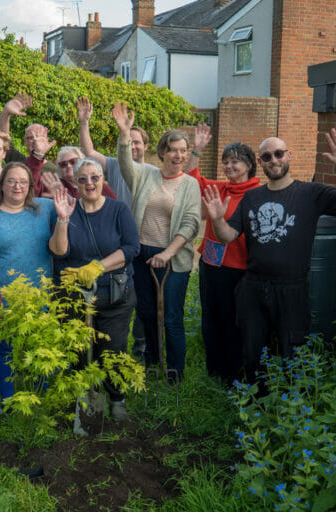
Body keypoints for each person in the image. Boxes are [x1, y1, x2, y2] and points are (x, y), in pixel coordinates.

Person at [202, 129, 336, 383]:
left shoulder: (310, 193)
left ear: (289, 155)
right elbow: (227, 236)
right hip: (254, 286)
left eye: (279, 154)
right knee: (252, 351)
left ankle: (292, 405)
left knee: (294, 351)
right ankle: (255, 402)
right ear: (260, 163)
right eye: (267, 157)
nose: (274, 160)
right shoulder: (251, 197)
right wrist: (216, 219)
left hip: (292, 289)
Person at [114, 102, 201, 380]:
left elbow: (190, 223)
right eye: (173, 149)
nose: (179, 155)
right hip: (142, 255)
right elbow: (125, 163)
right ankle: (153, 363)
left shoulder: (190, 184)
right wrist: (125, 134)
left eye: (183, 150)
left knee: (172, 317)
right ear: (162, 152)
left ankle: (175, 372)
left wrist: (168, 253)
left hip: (173, 259)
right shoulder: (145, 174)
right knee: (148, 313)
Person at [49, 159, 140, 421]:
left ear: (103, 179)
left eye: (94, 177)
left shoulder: (118, 209)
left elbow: (132, 248)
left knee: (114, 348)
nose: (89, 183)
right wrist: (63, 219)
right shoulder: (68, 208)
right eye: (82, 179)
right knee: (79, 347)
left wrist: (99, 266)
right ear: (75, 183)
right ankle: (83, 395)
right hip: (75, 295)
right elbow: (59, 251)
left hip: (115, 293)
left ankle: (117, 397)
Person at [0, 162, 56, 404]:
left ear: (30, 187)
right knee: (4, 348)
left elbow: (75, 217)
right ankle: (9, 401)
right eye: (12, 181)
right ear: (2, 185)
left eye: (23, 182)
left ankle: (40, 397)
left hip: (37, 294)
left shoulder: (45, 209)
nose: (18, 186)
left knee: (39, 347)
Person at [77, 96, 158, 361]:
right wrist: (84, 122)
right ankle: (113, 345)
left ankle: (141, 345)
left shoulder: (154, 172)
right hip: (119, 240)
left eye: (137, 142)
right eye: (128, 141)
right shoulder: (112, 165)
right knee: (125, 293)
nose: (133, 145)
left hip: (146, 241)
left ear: (145, 146)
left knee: (145, 298)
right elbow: (88, 152)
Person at [182, 127, 261, 383]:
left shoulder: (258, 195)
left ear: (249, 164)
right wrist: (197, 149)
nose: (228, 166)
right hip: (210, 264)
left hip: (238, 270)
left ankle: (233, 373)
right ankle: (213, 369)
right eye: (225, 162)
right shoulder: (221, 188)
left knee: (232, 322)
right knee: (211, 317)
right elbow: (191, 178)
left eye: (234, 161)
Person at [0, 92, 61, 196]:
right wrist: (6, 113)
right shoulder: (19, 161)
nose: (35, 141)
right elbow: (3, 140)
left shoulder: (57, 170)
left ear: (47, 141)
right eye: (30, 138)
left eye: (39, 138)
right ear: (24, 142)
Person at [41, 146, 117, 200]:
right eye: (63, 164)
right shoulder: (56, 186)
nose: (69, 166)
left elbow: (116, 209)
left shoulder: (99, 185)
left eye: (73, 161)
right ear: (60, 169)